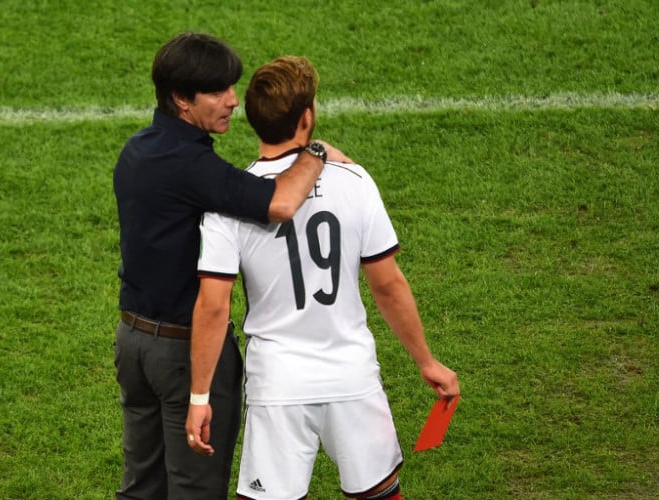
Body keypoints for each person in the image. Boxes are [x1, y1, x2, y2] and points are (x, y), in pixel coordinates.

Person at [186, 56, 460, 500]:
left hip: (279, 383)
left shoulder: (229, 199)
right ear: (308, 117)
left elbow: (214, 307)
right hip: (351, 377)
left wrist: (200, 396)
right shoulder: (354, 180)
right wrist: (427, 362)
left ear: (253, 119)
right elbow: (388, 285)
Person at [112, 34, 350, 500]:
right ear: (182, 99)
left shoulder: (136, 149)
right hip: (184, 353)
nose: (232, 101)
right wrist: (316, 152)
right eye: (217, 91)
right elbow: (280, 202)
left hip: (133, 344)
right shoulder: (194, 168)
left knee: (141, 489)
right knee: (195, 492)